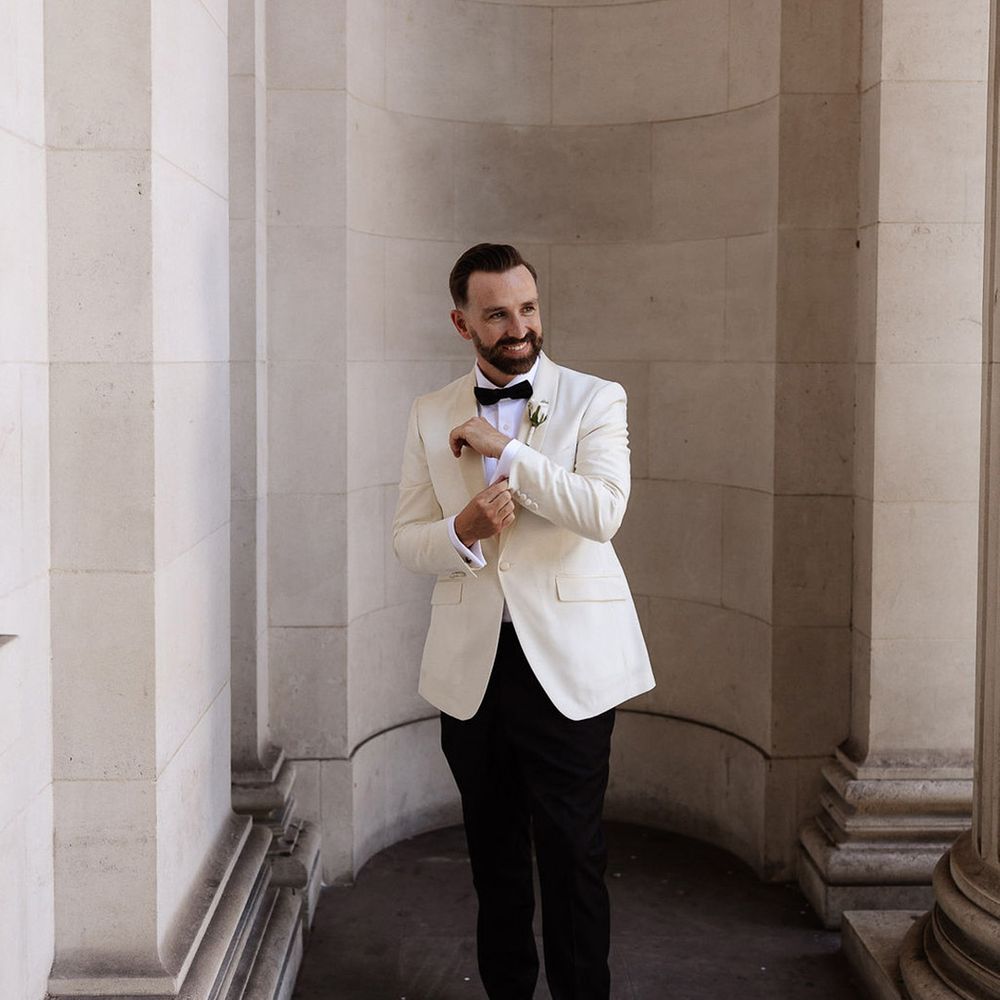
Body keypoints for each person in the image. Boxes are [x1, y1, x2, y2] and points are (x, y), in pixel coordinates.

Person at [392, 243, 655, 1000]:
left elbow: (603, 513)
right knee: (494, 858)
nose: (519, 326)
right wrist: (461, 530)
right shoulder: (427, 413)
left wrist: (507, 450)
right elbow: (408, 541)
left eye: (529, 308)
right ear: (461, 321)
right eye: (498, 313)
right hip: (471, 670)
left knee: (574, 855)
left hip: (569, 668)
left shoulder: (594, 397)